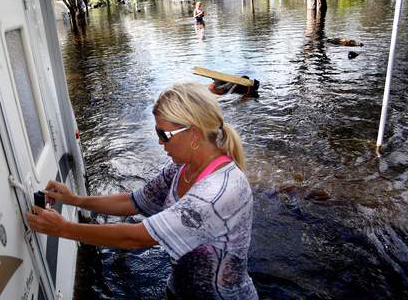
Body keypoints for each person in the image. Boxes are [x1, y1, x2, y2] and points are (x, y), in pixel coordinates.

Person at [26, 82, 258, 299]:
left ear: (194, 134)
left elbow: (135, 239)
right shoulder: (182, 168)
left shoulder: (216, 193)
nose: (160, 143)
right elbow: (132, 202)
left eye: (163, 135)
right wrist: (75, 200)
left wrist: (64, 229)